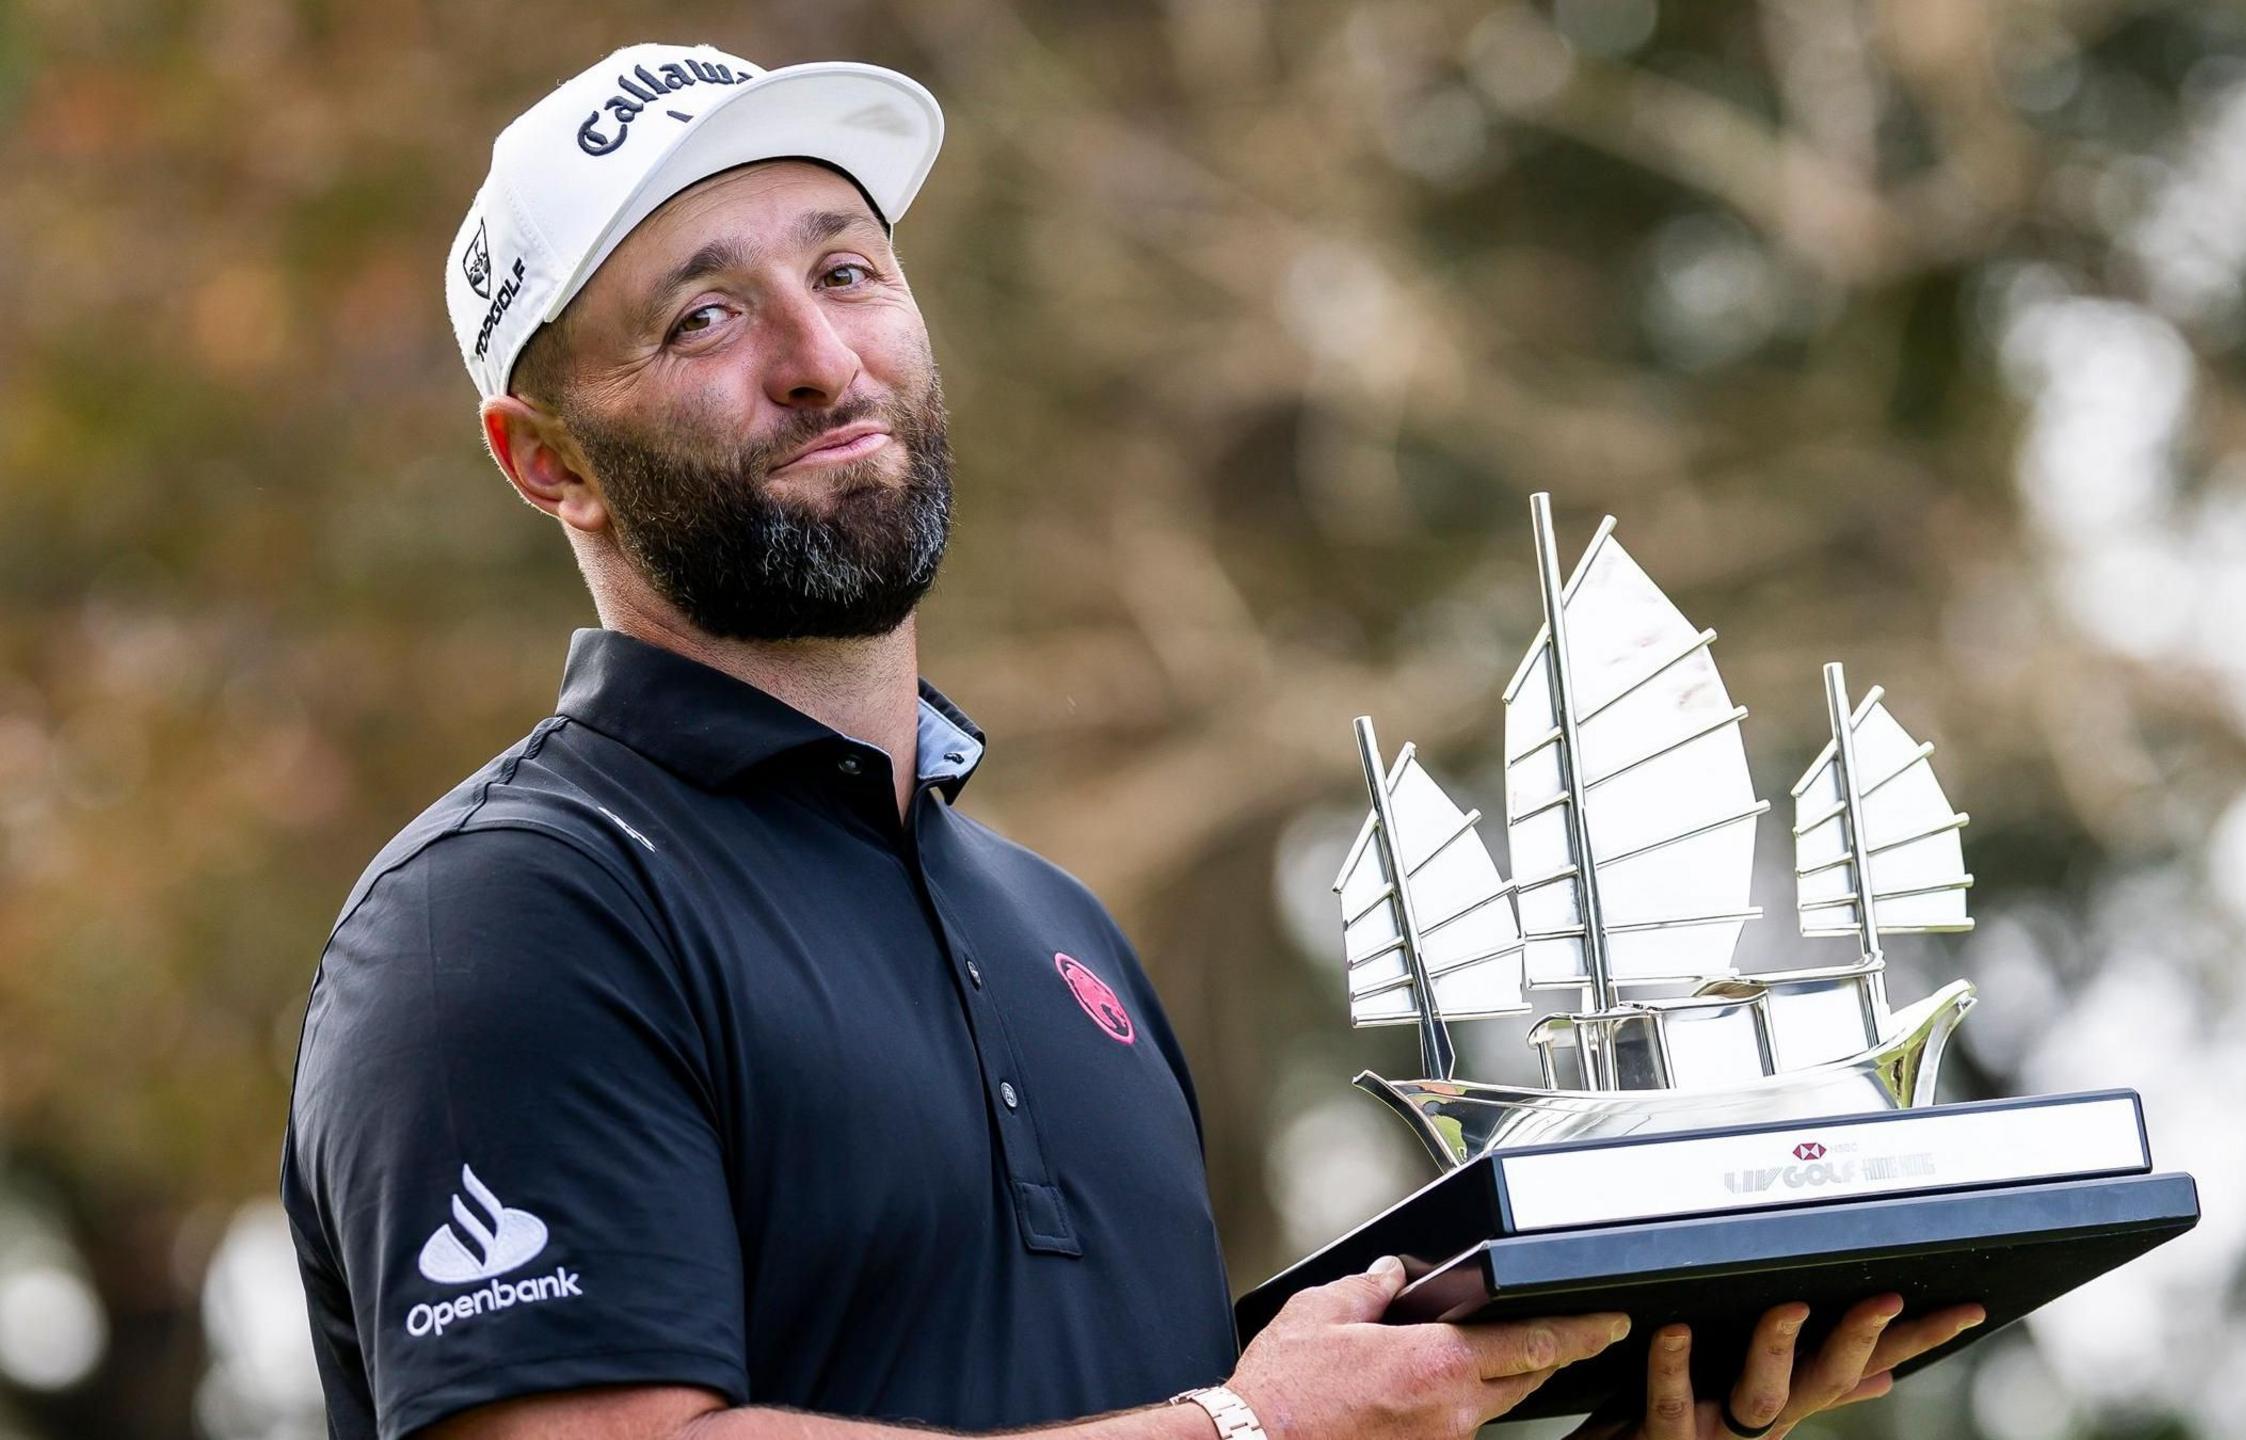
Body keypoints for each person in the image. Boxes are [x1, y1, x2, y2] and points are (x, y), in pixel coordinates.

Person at [280, 42, 1985, 1440]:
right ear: (545, 460)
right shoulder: (503, 917)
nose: (819, 359)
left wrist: (1622, 1421)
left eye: (848, 269)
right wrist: (1250, 1431)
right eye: (703, 319)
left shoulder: (1060, 932)